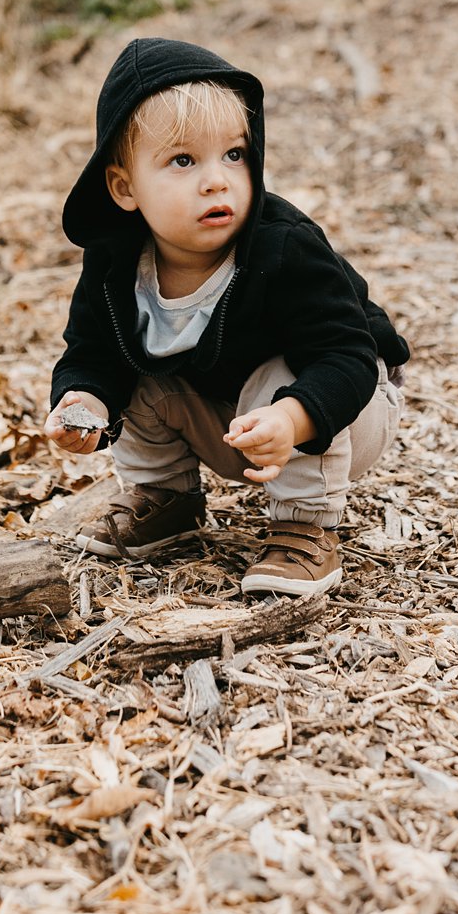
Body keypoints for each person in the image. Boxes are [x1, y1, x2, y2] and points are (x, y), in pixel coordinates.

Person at [43, 38, 409, 597]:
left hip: (346, 408)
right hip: (233, 419)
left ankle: (304, 527)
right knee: (135, 372)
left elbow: (347, 356)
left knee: (274, 375)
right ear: (124, 188)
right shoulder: (116, 262)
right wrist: (83, 402)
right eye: (183, 160)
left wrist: (293, 419)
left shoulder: (283, 248)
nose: (217, 180)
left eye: (234, 155)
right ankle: (165, 498)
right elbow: (91, 351)